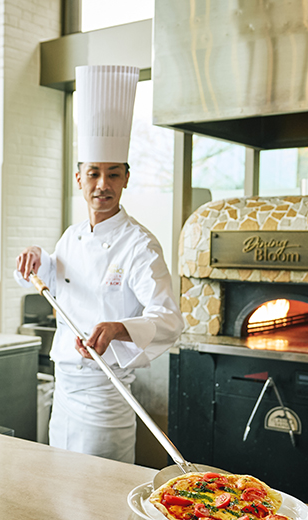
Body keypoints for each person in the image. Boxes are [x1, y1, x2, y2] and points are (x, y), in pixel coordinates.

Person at [14, 66, 184, 463]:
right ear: (78, 179)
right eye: (93, 174)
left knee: (98, 502)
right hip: (66, 388)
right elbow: (47, 280)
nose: (102, 185)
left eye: (112, 174)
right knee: (58, 490)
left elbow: (170, 319)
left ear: (126, 178)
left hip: (107, 394)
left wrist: (118, 328)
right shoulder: (71, 237)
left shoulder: (141, 245)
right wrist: (37, 258)